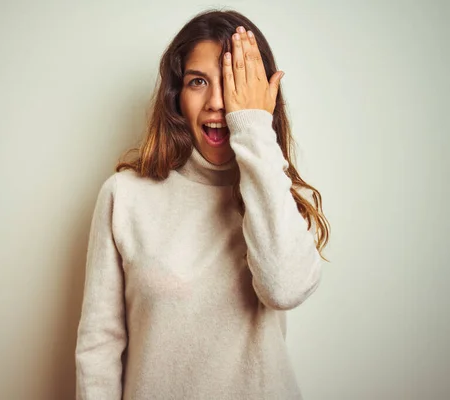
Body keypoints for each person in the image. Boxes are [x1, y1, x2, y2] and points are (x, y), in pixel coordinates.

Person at [75, 8, 331, 400]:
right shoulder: (124, 196)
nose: (216, 102)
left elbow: (284, 288)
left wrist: (254, 129)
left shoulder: (273, 193)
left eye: (231, 82)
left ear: (259, 98)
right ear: (176, 97)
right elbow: (99, 349)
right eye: (198, 82)